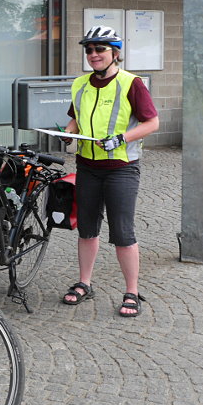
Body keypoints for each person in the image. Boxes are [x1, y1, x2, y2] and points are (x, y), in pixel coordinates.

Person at [60, 26, 159, 317]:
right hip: (87, 167)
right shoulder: (80, 84)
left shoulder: (131, 83)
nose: (93, 55)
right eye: (89, 50)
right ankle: (85, 283)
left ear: (115, 53)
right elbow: (75, 120)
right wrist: (68, 134)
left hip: (121, 169)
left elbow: (152, 123)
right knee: (87, 229)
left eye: (99, 49)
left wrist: (122, 138)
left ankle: (132, 291)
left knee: (122, 232)